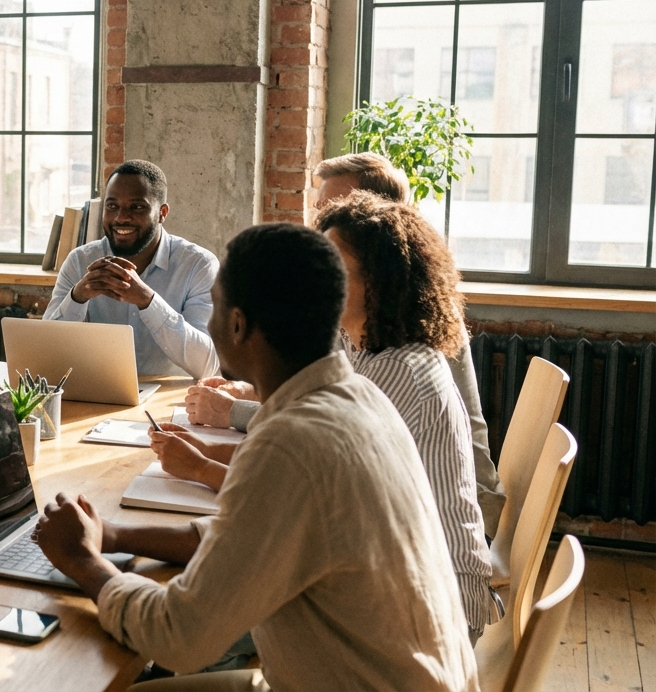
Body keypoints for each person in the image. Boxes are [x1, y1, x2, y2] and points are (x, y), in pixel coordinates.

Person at [34, 223, 479, 690]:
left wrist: (80, 558)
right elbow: (245, 532)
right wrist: (114, 534)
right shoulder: (359, 397)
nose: (208, 323)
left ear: (238, 324)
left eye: (215, 306)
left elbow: (179, 636)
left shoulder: (290, 444)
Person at [185, 151, 505, 536]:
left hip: (432, 534)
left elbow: (315, 450)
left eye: (330, 213)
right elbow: (320, 404)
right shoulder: (373, 331)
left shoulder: (402, 354)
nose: (316, 232)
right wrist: (250, 394)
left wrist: (221, 432)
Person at [44, 160, 218, 379]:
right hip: (102, 398)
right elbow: (46, 351)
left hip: (170, 403)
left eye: (137, 207)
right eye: (112, 206)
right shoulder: (80, 261)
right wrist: (77, 297)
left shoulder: (198, 265)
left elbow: (206, 365)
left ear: (162, 213)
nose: (121, 218)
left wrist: (148, 301)